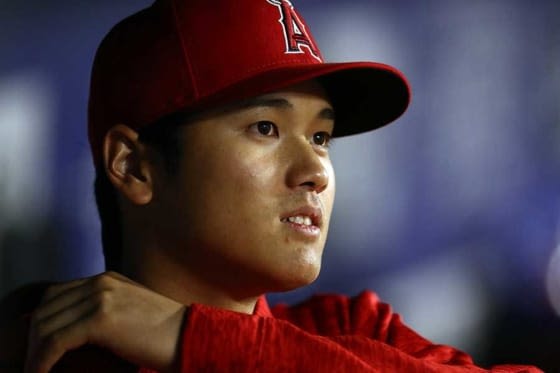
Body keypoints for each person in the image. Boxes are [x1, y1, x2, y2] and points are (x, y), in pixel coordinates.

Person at [0, 0, 542, 372]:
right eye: (266, 128)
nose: (316, 170)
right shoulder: (42, 354)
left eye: (322, 136)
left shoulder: (349, 331)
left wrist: (196, 341)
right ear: (134, 166)